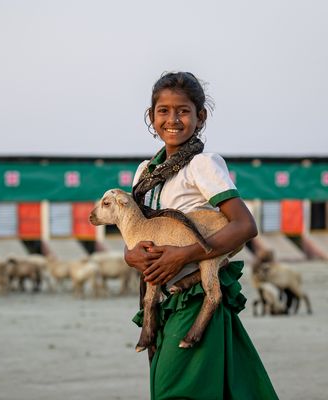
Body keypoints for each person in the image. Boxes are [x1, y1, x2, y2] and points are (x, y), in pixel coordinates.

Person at [125, 72, 279, 400]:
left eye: (183, 110)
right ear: (151, 117)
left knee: (177, 392)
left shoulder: (202, 165)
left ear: (200, 116)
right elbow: (136, 234)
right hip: (158, 300)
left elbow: (243, 225)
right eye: (163, 111)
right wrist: (130, 256)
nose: (173, 119)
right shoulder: (145, 172)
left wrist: (183, 255)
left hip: (194, 297)